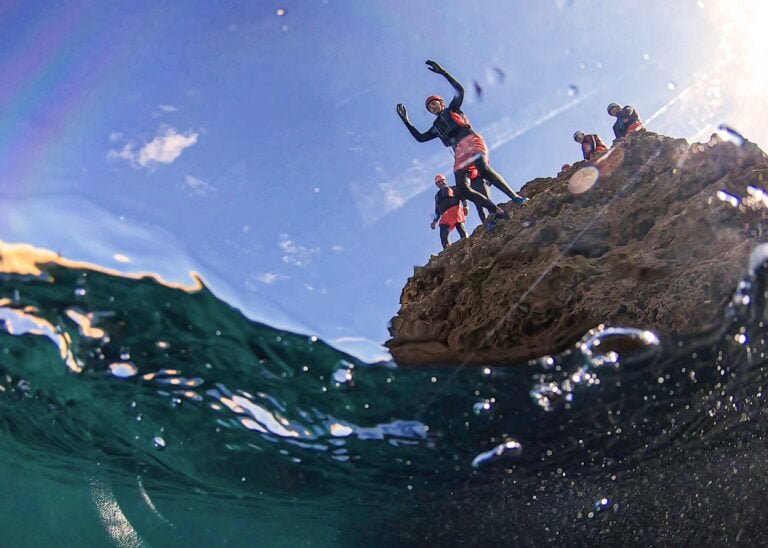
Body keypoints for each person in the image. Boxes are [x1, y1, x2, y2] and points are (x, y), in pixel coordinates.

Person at [396, 60, 527, 223]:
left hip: (471, 141)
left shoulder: (453, 109)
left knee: (484, 169)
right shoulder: (436, 127)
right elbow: (420, 138)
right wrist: (406, 120)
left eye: (434, 103)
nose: (433, 107)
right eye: (430, 108)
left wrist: (443, 72)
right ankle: (497, 211)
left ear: (441, 103)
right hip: (460, 154)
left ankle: (515, 197)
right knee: (463, 189)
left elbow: (460, 90)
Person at [431, 174, 469, 250]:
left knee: (460, 227)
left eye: (441, 181)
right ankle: (447, 250)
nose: (440, 183)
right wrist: (435, 221)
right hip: (445, 216)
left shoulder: (453, 188)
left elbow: (463, 197)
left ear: (445, 180)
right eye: (438, 182)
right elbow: (437, 210)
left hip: (455, 211)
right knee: (443, 233)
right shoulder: (437, 195)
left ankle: (467, 241)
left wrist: (466, 206)